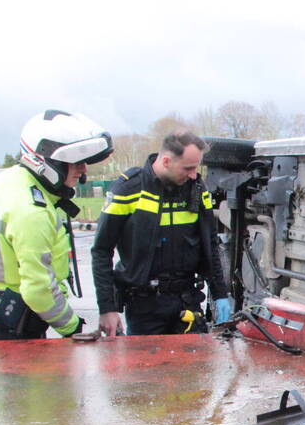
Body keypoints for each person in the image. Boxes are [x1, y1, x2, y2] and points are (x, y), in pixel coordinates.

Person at [0, 110, 113, 341]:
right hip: (10, 324)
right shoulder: (31, 211)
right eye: (75, 161)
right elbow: (38, 290)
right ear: (46, 163)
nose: (83, 169)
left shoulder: (12, 180)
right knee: (37, 379)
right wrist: (73, 328)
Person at [92, 130, 230, 337]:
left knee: (197, 368)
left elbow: (210, 245)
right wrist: (107, 308)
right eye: (188, 168)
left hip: (188, 302)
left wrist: (220, 294)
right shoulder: (129, 189)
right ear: (166, 161)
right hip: (144, 308)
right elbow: (101, 251)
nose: (194, 175)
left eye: (196, 168)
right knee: (146, 369)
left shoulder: (197, 189)